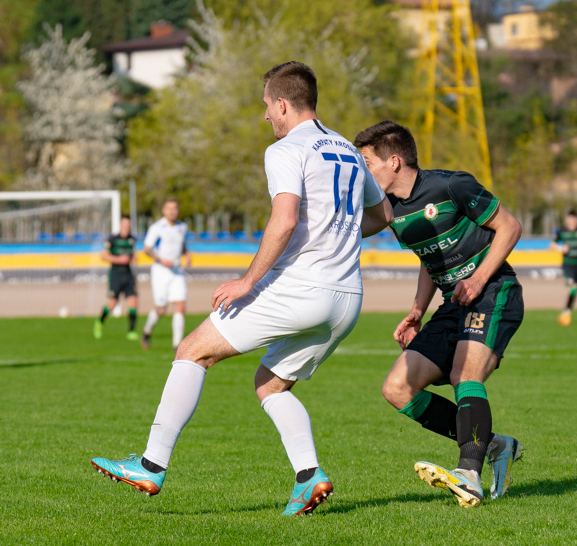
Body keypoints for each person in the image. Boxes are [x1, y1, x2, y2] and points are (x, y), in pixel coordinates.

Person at [91, 61, 393, 516]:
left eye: (267, 107)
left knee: (192, 350)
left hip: (300, 288)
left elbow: (285, 218)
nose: (265, 117)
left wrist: (247, 280)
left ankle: (151, 464)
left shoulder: (287, 149)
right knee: (271, 386)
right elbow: (382, 215)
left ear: (283, 104)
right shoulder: (349, 151)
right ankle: (309, 476)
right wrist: (337, 233)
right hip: (347, 297)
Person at [354, 120, 525, 508]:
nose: (363, 171)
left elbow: (510, 227)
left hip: (494, 290)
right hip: (452, 304)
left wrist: (479, 279)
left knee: (465, 373)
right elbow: (428, 258)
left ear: (394, 161)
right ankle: (494, 445)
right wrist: (416, 310)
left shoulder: (452, 185)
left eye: (367, 162)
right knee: (396, 389)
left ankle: (469, 475)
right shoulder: (389, 211)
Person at [140, 198, 192, 350]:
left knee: (181, 305)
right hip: (161, 271)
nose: (172, 211)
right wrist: (161, 260)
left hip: (176, 271)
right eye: (169, 208)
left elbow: (181, 244)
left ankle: (177, 345)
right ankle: (147, 330)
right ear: (164, 211)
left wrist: (187, 254)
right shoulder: (157, 227)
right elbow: (147, 249)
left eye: (174, 208)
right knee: (161, 309)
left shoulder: (182, 227)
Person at [94, 216, 139, 341]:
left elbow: (130, 254)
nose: (126, 227)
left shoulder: (132, 239)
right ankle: (99, 322)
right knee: (112, 304)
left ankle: (131, 331)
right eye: (124, 225)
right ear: (120, 225)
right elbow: (103, 256)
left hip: (128, 274)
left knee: (133, 302)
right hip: (115, 274)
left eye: (128, 225)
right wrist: (119, 259)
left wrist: (133, 258)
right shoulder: (112, 239)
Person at [551, 210, 577, 326]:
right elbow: (552, 245)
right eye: (571, 219)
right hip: (567, 265)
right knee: (573, 286)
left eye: (575, 219)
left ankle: (566, 311)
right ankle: (566, 312)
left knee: (576, 289)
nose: (573, 222)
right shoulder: (562, 231)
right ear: (567, 220)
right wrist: (560, 248)